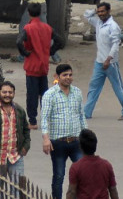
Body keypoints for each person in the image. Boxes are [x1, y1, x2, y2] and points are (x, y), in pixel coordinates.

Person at [41, 64, 86, 199]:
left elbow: (81, 115)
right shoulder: (50, 94)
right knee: (59, 175)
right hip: (58, 142)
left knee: (82, 173)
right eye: (65, 75)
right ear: (57, 77)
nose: (68, 78)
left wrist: (86, 137)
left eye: (70, 75)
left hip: (76, 141)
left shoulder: (77, 92)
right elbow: (44, 118)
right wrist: (46, 139)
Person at [16, 2, 63, 129]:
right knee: (44, 94)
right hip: (44, 66)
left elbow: (19, 42)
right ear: (41, 12)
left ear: (29, 13)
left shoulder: (28, 28)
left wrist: (25, 53)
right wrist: (50, 51)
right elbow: (60, 41)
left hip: (32, 66)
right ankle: (46, 120)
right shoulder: (47, 28)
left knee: (32, 95)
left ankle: (32, 121)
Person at [83, 2, 123, 120]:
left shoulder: (113, 26)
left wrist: (109, 59)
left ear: (109, 11)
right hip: (99, 62)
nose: (100, 14)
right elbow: (86, 15)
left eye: (102, 11)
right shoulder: (98, 22)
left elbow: (116, 44)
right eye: (99, 12)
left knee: (118, 87)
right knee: (93, 87)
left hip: (110, 63)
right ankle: (86, 113)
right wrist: (95, 11)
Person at [66, 129, 119, 199]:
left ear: (80, 147)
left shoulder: (76, 167)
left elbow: (71, 192)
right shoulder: (106, 165)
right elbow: (113, 189)